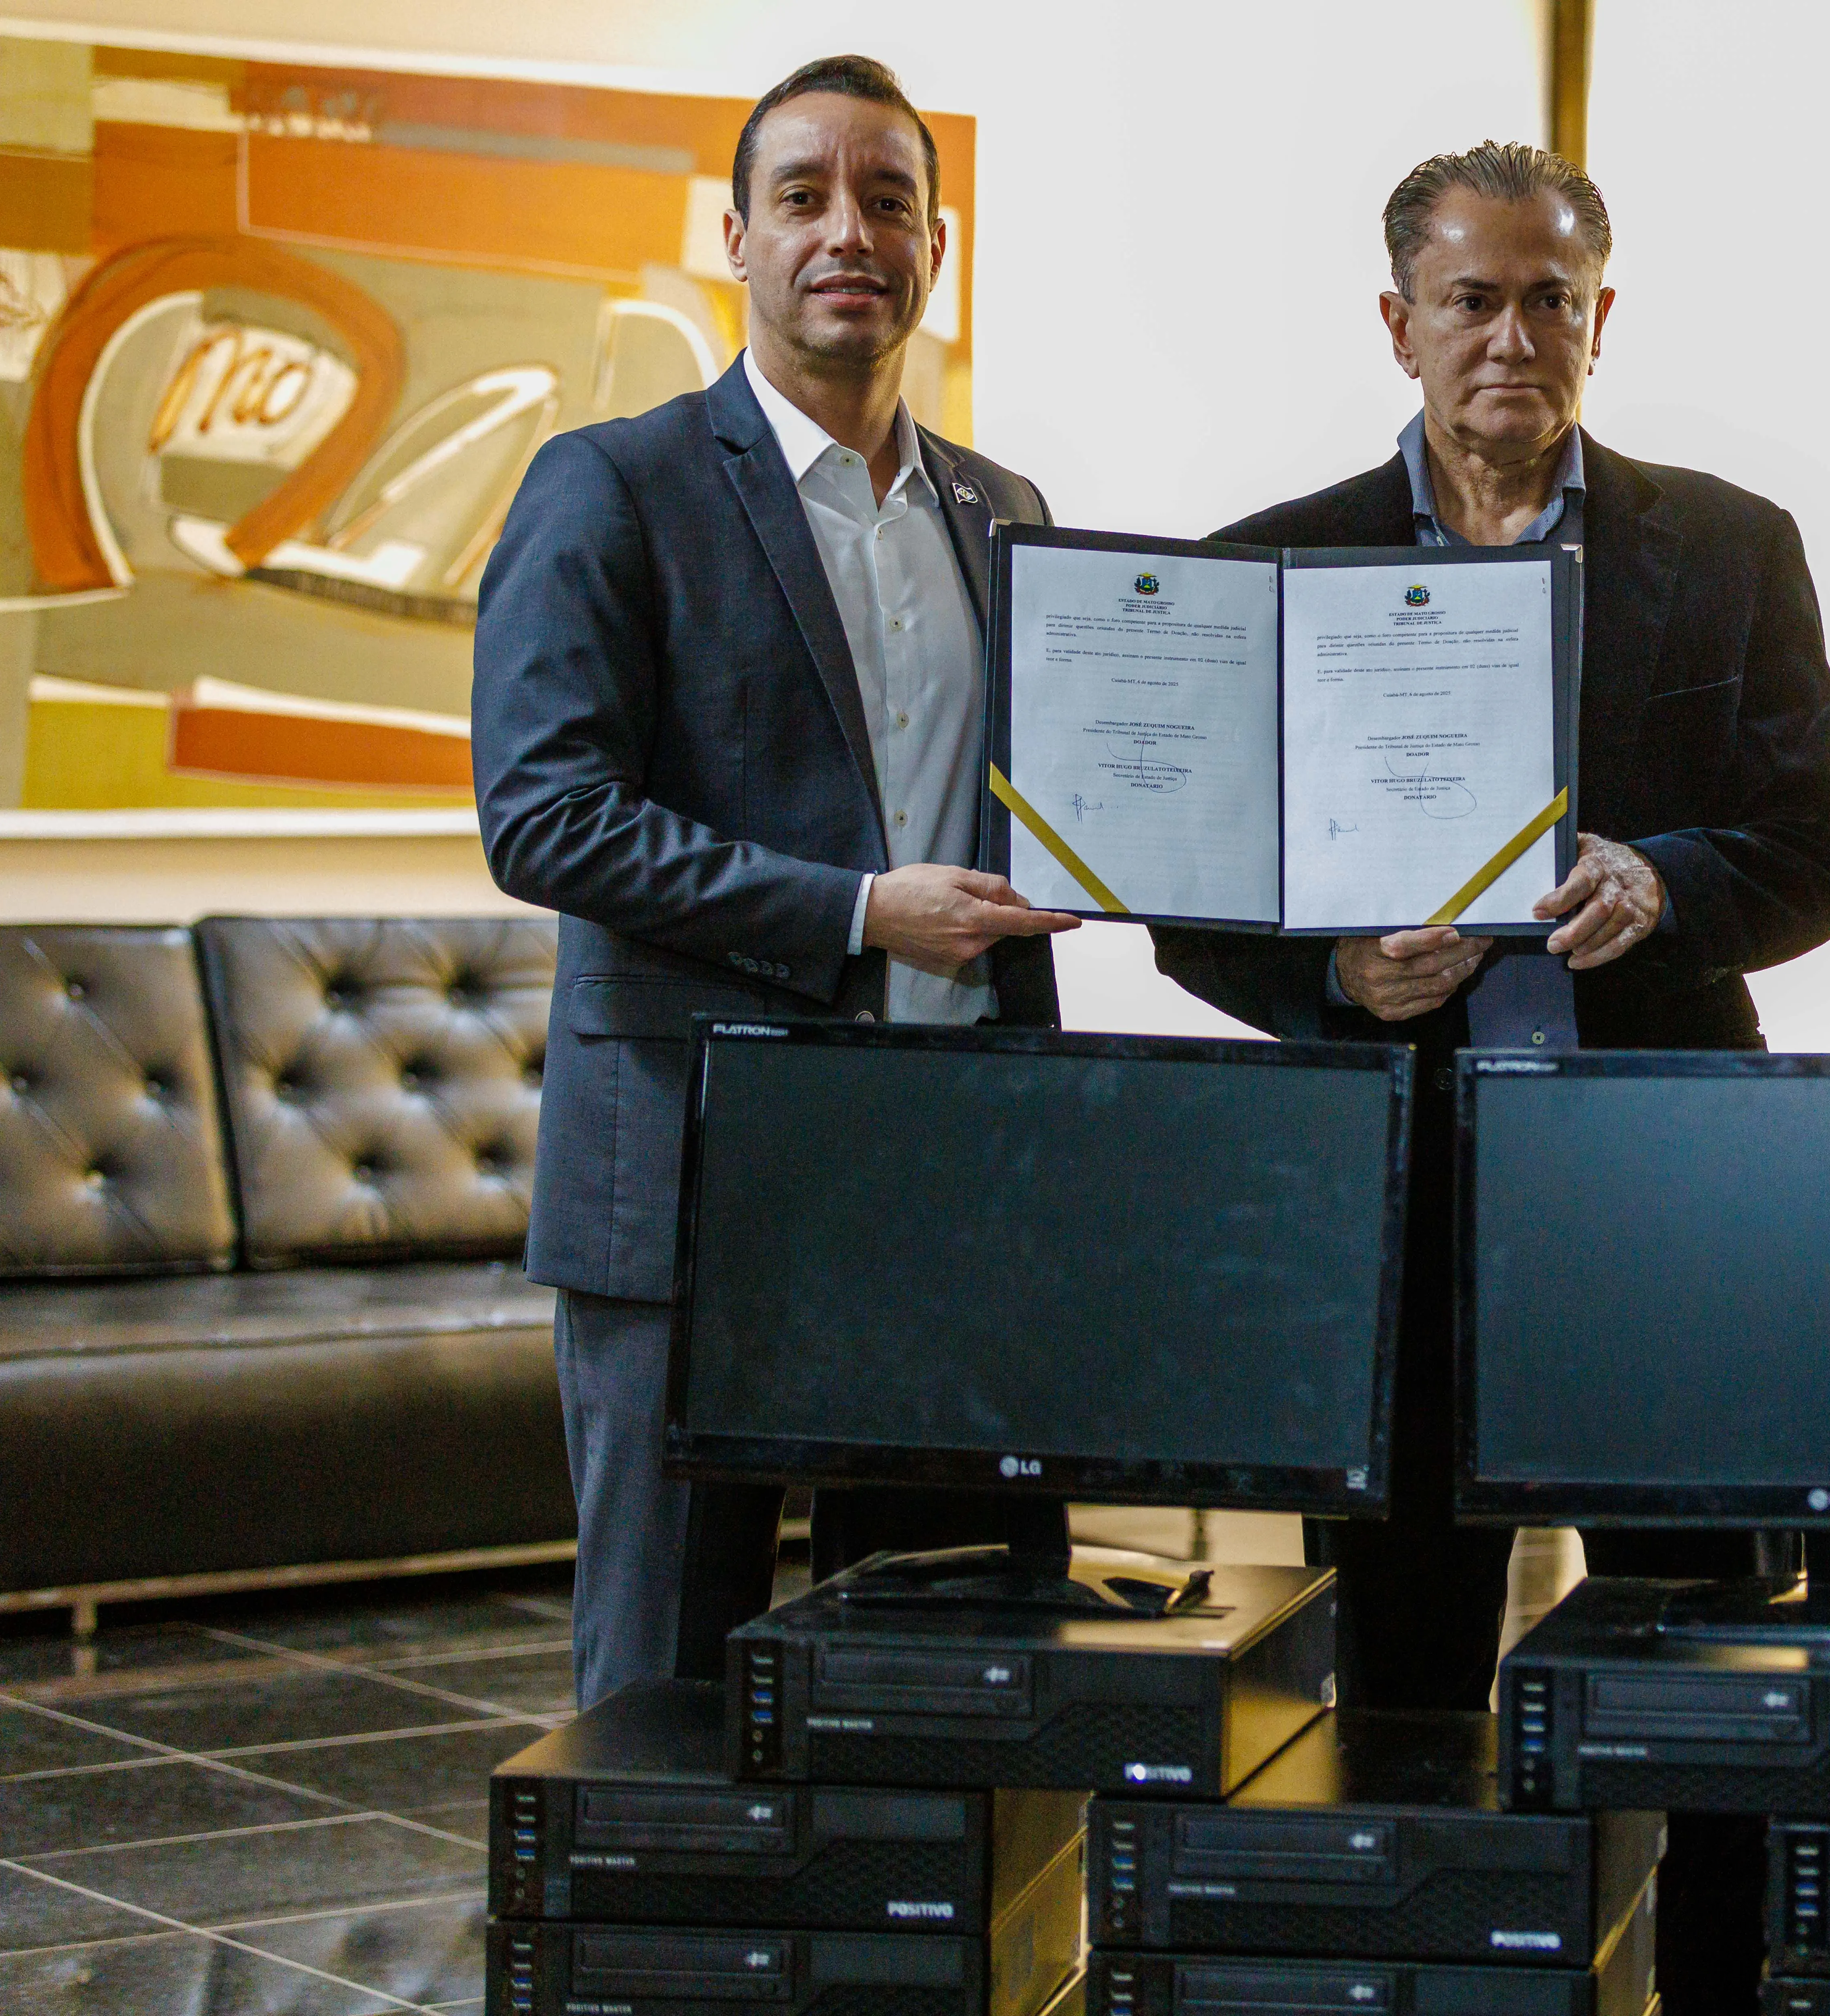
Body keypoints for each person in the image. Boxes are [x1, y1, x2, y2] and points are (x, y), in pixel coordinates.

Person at [1151, 141, 1830, 2014]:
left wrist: (1668, 882)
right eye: (1472, 299)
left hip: (1658, 1201)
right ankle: (1422, 1985)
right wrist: (1329, 969)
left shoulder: (1731, 548)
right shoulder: (1269, 566)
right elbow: (1188, 898)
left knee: (1702, 1646)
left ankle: (1709, 1980)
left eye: (1553, 297)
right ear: (1399, 324)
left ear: (1603, 319)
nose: (1513, 336)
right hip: (1393, 1199)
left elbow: (1818, 851)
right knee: (1400, 1670)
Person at [474, 54, 1079, 1709]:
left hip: (950, 1176)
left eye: (890, 198)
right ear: (731, 238)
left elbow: (1055, 803)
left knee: (947, 1661)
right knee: (662, 1676)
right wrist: (858, 912)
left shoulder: (1005, 511)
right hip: (688, 1174)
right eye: (803, 194)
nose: (848, 231)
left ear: (936, 250)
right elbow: (545, 819)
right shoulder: (612, 485)